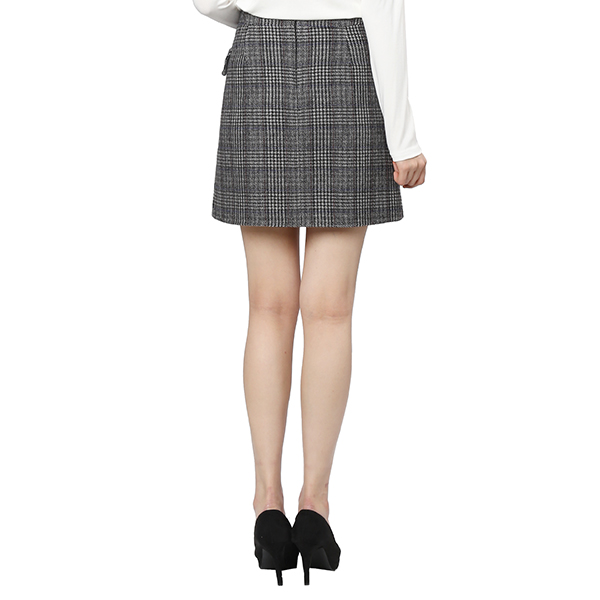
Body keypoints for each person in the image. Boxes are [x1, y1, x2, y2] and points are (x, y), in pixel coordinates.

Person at [193, 0, 427, 586]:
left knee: (267, 307)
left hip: (259, 59)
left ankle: (267, 507)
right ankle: (314, 508)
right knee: (330, 312)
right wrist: (403, 139)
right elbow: (382, 10)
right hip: (346, 64)